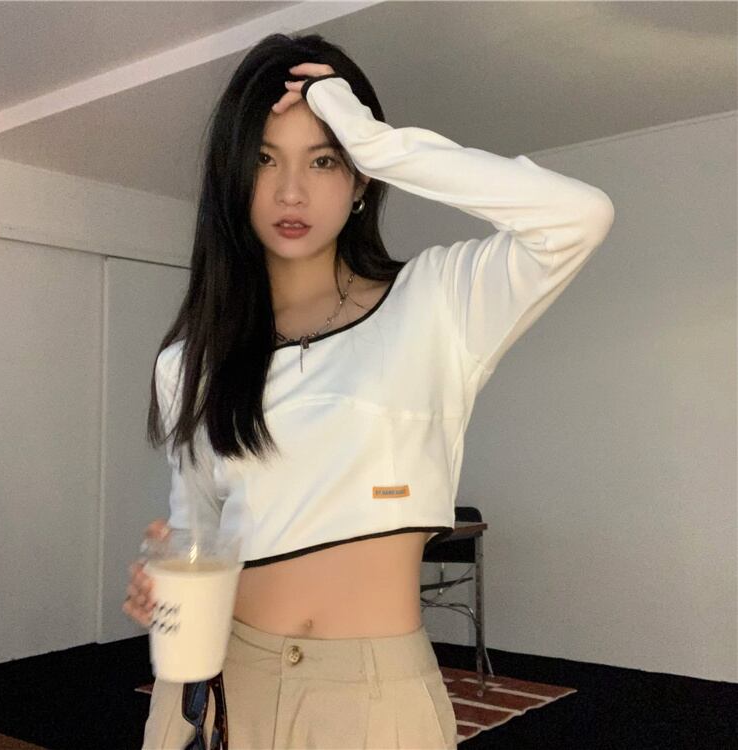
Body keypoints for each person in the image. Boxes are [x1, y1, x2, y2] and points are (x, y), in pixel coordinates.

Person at [123, 31, 615, 750]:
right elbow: (197, 528)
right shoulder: (189, 360)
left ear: (359, 180)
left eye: (324, 160)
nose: (291, 191)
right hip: (217, 680)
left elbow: (580, 216)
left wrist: (375, 141)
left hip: (370, 698)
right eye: (264, 158)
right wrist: (167, 581)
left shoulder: (436, 301)